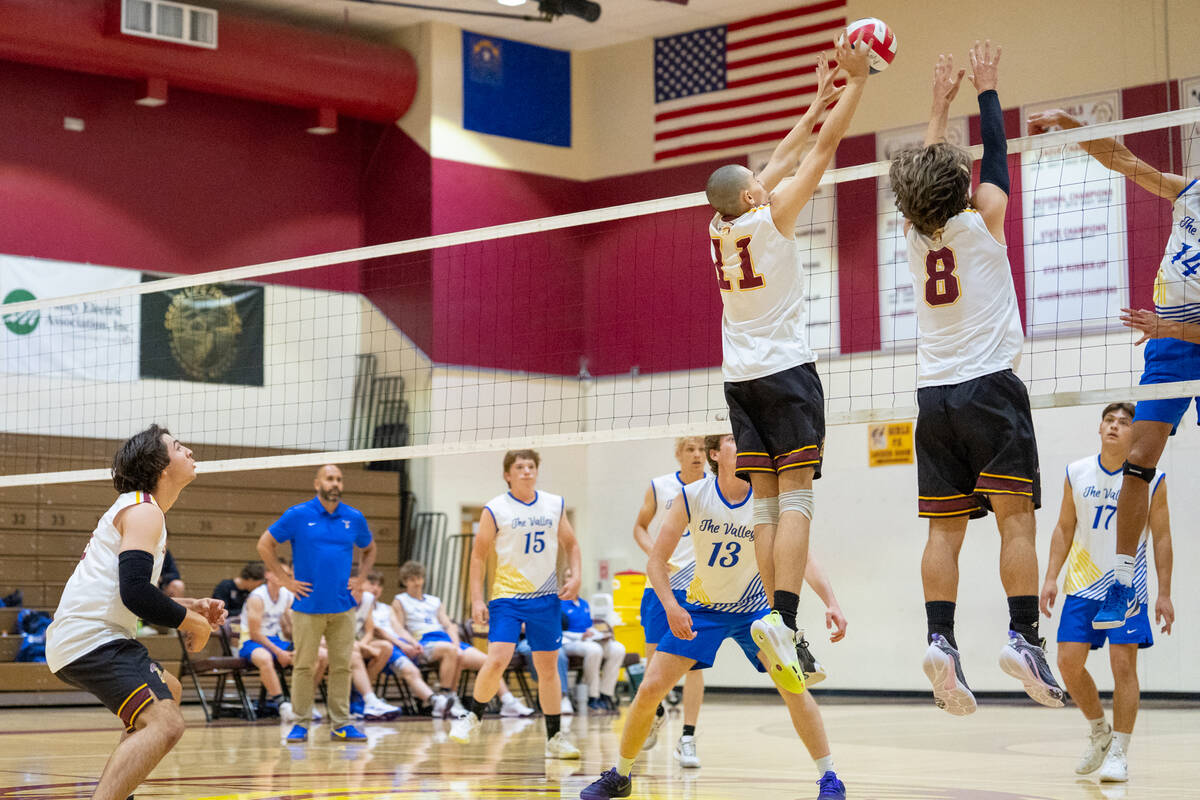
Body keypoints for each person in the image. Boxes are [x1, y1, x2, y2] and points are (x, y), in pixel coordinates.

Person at [889, 41, 1063, 714]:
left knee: (943, 532)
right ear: (962, 189)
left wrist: (937, 105)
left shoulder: (914, 233)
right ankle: (1022, 636)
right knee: (1015, 521)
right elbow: (996, 158)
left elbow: (924, 180)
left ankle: (940, 638)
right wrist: (989, 90)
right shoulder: (982, 221)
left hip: (932, 399)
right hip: (990, 388)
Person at [703, 40, 870, 693]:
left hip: (739, 381)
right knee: (798, 497)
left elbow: (781, 156)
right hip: (786, 373)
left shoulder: (718, 230)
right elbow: (819, 154)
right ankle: (787, 619)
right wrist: (856, 87)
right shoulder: (771, 222)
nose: (762, 178)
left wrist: (815, 98)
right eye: (755, 180)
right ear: (751, 196)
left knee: (766, 506)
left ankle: (774, 618)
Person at [580, 434, 849, 800]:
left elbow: (802, 555)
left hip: (754, 610)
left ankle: (830, 778)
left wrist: (830, 600)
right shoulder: (692, 496)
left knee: (794, 689)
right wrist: (673, 608)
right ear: (715, 454)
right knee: (649, 690)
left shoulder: (767, 497)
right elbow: (656, 563)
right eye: (733, 440)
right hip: (703, 607)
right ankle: (621, 774)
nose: (744, 443)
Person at [1027, 107, 1197, 633]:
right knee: (1140, 462)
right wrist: (1071, 122)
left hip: (1178, 331)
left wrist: (1169, 328)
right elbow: (1121, 160)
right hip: (1170, 343)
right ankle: (1123, 580)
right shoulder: (1188, 191)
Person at [44, 425, 223, 800]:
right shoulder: (144, 510)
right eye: (177, 447)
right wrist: (194, 624)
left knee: (168, 691)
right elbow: (136, 593)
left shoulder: (143, 509)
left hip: (87, 638)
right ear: (161, 466)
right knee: (167, 723)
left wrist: (191, 606)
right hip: (92, 639)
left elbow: (128, 588)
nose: (189, 451)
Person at [1040, 403, 1174, 783]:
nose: (1115, 427)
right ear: (1099, 428)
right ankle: (1099, 730)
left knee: (1123, 667)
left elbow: (1162, 538)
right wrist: (1050, 578)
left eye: (1124, 422)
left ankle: (1120, 750)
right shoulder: (1077, 472)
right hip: (1082, 583)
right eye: (1109, 421)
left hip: (1127, 586)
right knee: (1067, 662)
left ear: (1135, 433)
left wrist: (1164, 593)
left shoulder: (1152, 477)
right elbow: (1064, 528)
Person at [449, 449, 583, 759]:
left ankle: (555, 738)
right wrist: (477, 600)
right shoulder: (495, 508)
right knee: (497, 658)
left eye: (531, 466)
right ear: (507, 474)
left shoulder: (554, 503)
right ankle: (473, 717)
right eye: (519, 467)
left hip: (545, 597)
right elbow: (479, 556)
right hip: (506, 597)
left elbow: (571, 544)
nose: (526, 471)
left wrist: (576, 576)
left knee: (548, 668)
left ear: (537, 471)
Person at [257, 464, 377, 744]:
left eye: (339, 479)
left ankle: (341, 724)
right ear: (317, 483)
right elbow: (265, 544)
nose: (335, 483)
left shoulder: (353, 517)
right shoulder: (298, 515)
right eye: (329, 478)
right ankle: (300, 723)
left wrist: (360, 579)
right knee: (304, 666)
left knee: (342, 666)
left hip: (343, 607)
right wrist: (286, 580)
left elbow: (369, 548)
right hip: (307, 606)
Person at [631, 437, 707, 760]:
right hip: (659, 587)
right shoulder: (660, 487)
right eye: (690, 449)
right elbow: (639, 527)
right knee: (654, 665)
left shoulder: (715, 488)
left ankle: (687, 738)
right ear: (678, 454)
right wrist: (656, 555)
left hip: (697, 587)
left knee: (693, 666)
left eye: (702, 449)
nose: (697, 455)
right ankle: (656, 712)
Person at [392, 560, 532, 718]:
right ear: (405, 582)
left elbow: (448, 625)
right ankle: (447, 698)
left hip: (446, 641)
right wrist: (412, 643)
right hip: (423, 642)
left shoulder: (434, 601)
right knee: (452, 652)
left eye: (418, 578)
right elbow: (399, 628)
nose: (416, 583)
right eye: (411, 579)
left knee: (488, 661)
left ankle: (508, 701)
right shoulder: (400, 600)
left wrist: (456, 643)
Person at [237, 558, 323, 719]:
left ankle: (303, 703)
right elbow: (255, 633)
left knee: (318, 656)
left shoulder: (286, 595)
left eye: (288, 575)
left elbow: (296, 623)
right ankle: (282, 705)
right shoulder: (257, 597)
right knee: (265, 658)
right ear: (268, 574)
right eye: (281, 573)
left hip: (274, 640)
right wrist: (279, 652)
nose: (286, 578)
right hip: (251, 641)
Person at [348, 573, 403, 720]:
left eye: (360, 586)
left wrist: (363, 645)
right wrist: (361, 646)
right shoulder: (340, 599)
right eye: (352, 587)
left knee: (385, 647)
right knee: (354, 651)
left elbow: (370, 630)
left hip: (358, 643)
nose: (356, 591)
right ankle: (367, 699)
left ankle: (359, 695)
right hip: (339, 644)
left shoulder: (367, 599)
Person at [560, 595, 626, 713]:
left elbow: (590, 627)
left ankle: (606, 694)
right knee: (595, 650)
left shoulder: (584, 603)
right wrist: (581, 636)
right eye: (567, 577)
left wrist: (601, 634)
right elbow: (558, 631)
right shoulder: (559, 603)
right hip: (569, 642)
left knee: (618, 649)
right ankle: (592, 696)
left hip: (589, 640)